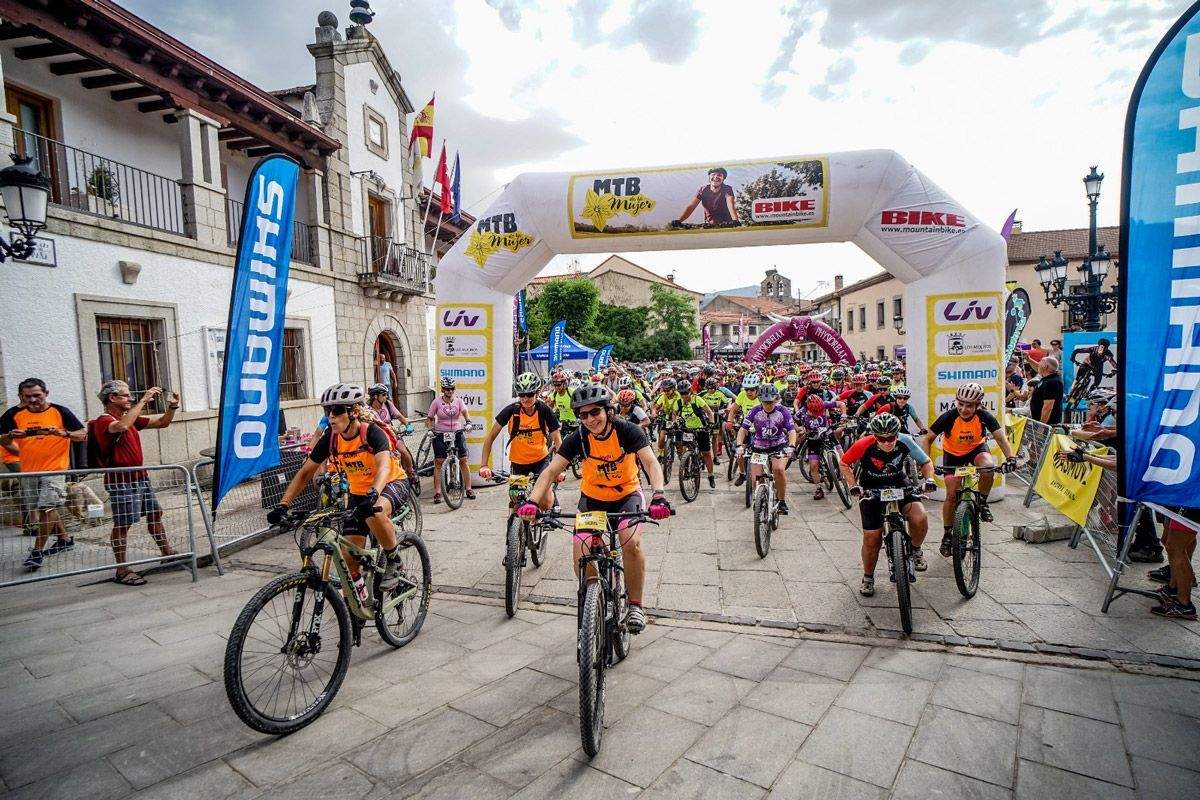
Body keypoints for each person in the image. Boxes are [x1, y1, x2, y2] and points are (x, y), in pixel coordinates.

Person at [517, 385, 670, 634]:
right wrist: (533, 502)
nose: (590, 419)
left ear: (609, 411)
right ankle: (594, 596)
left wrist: (659, 496)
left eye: (595, 412)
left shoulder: (627, 431)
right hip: (593, 499)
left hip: (627, 496)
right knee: (581, 548)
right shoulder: (578, 437)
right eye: (583, 415)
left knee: (630, 542)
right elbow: (551, 471)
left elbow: (651, 463)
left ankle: (635, 605)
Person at [268, 383, 410, 591]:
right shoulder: (331, 439)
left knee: (376, 512)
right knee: (348, 558)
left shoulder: (371, 433)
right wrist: (283, 504)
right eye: (327, 411)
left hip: (391, 482)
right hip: (358, 492)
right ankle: (358, 610)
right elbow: (305, 472)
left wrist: (374, 493)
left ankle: (394, 559)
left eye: (337, 411)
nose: (331, 417)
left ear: (353, 412)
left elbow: (383, 467)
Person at [88, 381, 180, 586]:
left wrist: (172, 407)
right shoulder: (105, 420)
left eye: (130, 396)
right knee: (123, 523)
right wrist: (144, 399)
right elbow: (121, 426)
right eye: (126, 396)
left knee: (155, 514)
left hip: (140, 477)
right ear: (112, 398)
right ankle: (121, 570)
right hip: (120, 480)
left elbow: (163, 423)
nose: (130, 399)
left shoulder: (128, 418)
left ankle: (167, 551)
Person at [841, 413, 937, 597]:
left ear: (897, 434)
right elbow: (844, 463)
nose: (887, 442)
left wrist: (930, 479)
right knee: (872, 539)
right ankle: (868, 577)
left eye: (891, 438)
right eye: (881, 439)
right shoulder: (864, 444)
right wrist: (854, 486)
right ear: (874, 436)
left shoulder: (905, 441)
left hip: (899, 483)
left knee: (920, 517)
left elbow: (925, 461)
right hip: (871, 487)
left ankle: (916, 549)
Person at [0, 379, 87, 571]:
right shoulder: (15, 414)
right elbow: (2, 439)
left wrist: (63, 434)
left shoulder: (60, 411)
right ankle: (64, 539)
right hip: (30, 470)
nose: (33, 400)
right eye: (28, 396)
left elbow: (82, 434)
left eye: (37, 395)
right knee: (44, 509)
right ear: (22, 397)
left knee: (47, 507)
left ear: (46, 393)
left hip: (55, 469)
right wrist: (12, 439)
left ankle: (37, 552)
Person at [923, 383, 1016, 556]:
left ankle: (982, 502)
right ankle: (948, 534)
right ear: (956, 401)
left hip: (976, 451)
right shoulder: (949, 417)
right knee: (951, 494)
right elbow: (927, 439)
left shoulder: (984, 417)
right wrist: (926, 462)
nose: (964, 409)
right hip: (953, 455)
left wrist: (1011, 458)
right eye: (961, 404)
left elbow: (1002, 439)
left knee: (988, 467)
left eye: (969, 406)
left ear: (978, 405)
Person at [478, 372, 562, 481]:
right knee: (516, 496)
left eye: (530, 394)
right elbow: (490, 438)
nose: (525, 399)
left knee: (544, 495)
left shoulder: (545, 411)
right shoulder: (511, 410)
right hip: (518, 463)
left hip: (540, 460)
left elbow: (558, 441)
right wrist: (484, 465)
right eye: (521, 395)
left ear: (537, 393)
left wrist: (560, 469)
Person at [735, 383, 797, 514]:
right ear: (760, 400)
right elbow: (742, 429)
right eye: (765, 402)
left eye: (771, 402)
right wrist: (739, 445)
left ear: (776, 399)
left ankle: (781, 501)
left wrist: (791, 445)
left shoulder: (783, 411)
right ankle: (759, 499)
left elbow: (791, 430)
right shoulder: (755, 410)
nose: (768, 405)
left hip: (779, 445)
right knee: (756, 477)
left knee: (778, 469)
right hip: (759, 446)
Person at [427, 377, 474, 503]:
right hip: (441, 433)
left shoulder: (458, 401)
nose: (450, 391)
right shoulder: (436, 402)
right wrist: (430, 429)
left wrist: (468, 422)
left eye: (452, 389)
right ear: (443, 389)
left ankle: (469, 489)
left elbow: (465, 412)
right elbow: (430, 418)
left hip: (457, 432)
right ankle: (437, 492)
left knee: (463, 460)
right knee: (438, 463)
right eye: (447, 389)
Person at [368, 384, 417, 487]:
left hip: (392, 435)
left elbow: (399, 416)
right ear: (375, 396)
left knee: (404, 451)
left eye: (387, 394)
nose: (387, 397)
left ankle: (411, 472)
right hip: (379, 439)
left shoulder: (388, 405)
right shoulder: (368, 411)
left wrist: (407, 425)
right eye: (384, 394)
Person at [676, 383, 716, 488]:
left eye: (686, 393)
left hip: (701, 428)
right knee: (685, 450)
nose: (684, 396)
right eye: (682, 394)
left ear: (690, 392)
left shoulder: (697, 399)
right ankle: (686, 470)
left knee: (706, 452)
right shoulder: (679, 402)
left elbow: (709, 412)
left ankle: (711, 475)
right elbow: (674, 413)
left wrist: (711, 423)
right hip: (687, 429)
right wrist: (675, 421)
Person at [674, 167, 739, 226]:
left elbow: (731, 205)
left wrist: (735, 220)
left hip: (727, 223)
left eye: (719, 175)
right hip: (710, 224)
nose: (716, 176)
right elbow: (691, 206)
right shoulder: (703, 190)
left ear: (723, 179)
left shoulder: (727, 189)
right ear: (709, 177)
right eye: (713, 174)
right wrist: (679, 221)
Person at [1030, 356, 1064, 425]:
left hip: (1048, 424)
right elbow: (1038, 368)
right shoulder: (1047, 378)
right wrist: (1029, 359)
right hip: (1039, 421)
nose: (1038, 364)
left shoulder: (1052, 382)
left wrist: (1041, 426)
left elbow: (1048, 407)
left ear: (1045, 366)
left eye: (1040, 362)